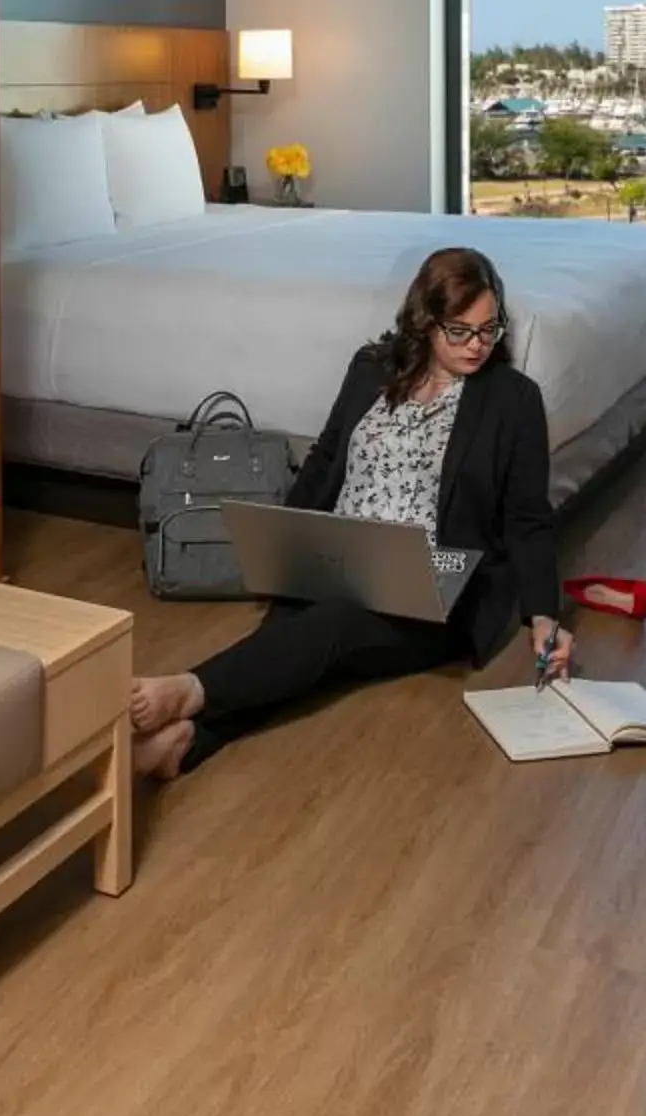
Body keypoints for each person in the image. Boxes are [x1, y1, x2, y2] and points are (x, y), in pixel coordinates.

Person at [126, 245, 569, 779]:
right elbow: (327, 457)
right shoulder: (371, 369)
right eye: (460, 330)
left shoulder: (513, 400)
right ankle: (185, 743)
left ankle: (189, 690)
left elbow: (528, 517)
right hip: (338, 560)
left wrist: (544, 613)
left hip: (433, 590)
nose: (477, 345)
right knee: (295, 648)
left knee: (329, 629)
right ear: (426, 321)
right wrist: (283, 542)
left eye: (489, 329)